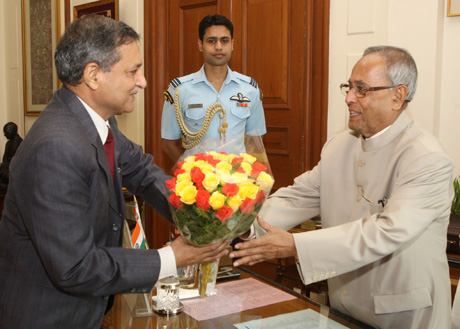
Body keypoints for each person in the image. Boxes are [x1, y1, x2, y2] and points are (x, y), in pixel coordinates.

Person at [0, 15, 228, 329]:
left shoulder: (95, 121)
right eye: (133, 71)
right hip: (49, 317)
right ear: (93, 75)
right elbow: (76, 267)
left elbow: (144, 171)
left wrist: (199, 216)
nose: (143, 81)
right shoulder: (56, 147)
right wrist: (174, 257)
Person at [230, 46, 453, 328]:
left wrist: (296, 246)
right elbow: (298, 197)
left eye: (362, 89)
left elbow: (385, 232)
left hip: (404, 317)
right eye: (348, 87)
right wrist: (239, 225)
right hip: (343, 310)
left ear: (398, 96)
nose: (348, 98)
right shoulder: (339, 146)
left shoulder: (427, 157)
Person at [161, 14, 266, 162]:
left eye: (224, 41)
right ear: (200, 44)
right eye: (211, 41)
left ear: (232, 44)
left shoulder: (249, 89)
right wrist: (192, 174)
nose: (218, 46)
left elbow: (255, 143)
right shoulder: (179, 90)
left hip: (238, 180)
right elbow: (168, 144)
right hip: (197, 182)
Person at [0, 122, 22, 186]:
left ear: (13, 131)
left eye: (6, 132)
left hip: (16, 168)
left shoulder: (21, 143)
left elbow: (19, 161)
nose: (5, 135)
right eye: (4, 132)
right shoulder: (8, 143)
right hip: (7, 166)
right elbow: (4, 159)